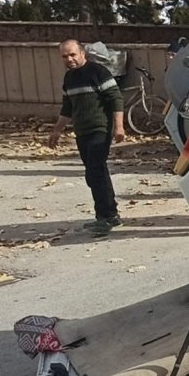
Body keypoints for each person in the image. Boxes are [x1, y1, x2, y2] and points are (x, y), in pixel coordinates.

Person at [47, 40, 125, 235]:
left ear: (82, 53)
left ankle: (105, 218)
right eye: (65, 56)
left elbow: (116, 98)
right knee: (95, 173)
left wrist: (119, 127)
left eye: (73, 54)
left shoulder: (97, 72)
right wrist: (57, 130)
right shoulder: (69, 78)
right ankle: (110, 215)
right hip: (81, 132)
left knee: (95, 172)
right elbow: (67, 107)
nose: (69, 59)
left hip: (100, 129)